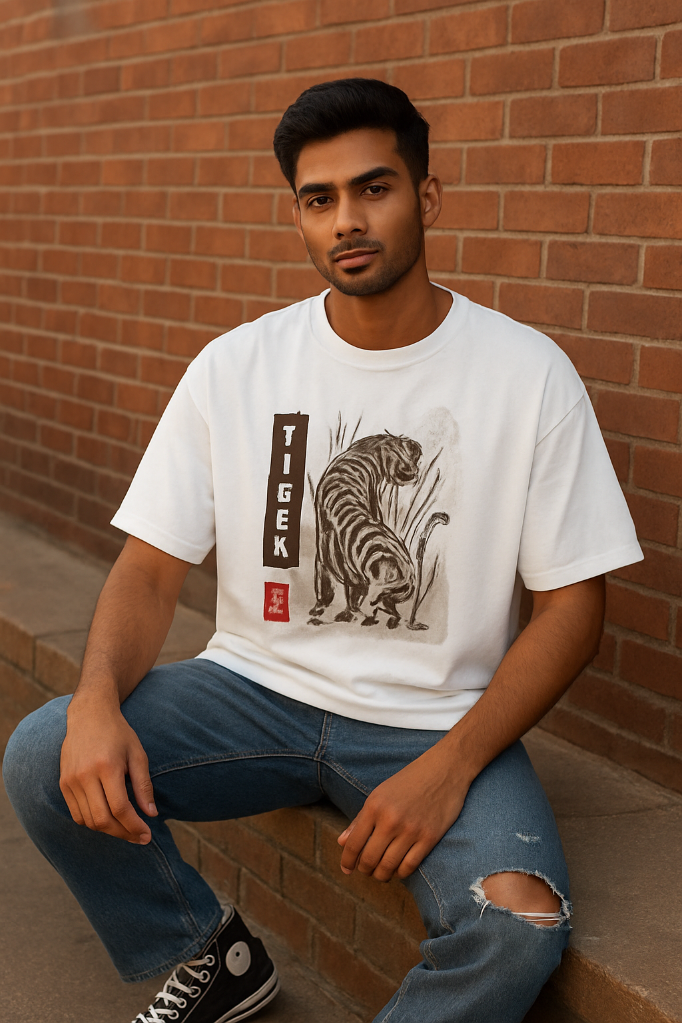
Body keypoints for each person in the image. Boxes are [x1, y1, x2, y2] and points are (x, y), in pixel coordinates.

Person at [3, 78, 642, 1023]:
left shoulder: (527, 373)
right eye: (319, 198)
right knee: (44, 752)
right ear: (298, 215)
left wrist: (455, 763)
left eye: (374, 188)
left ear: (426, 196)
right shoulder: (238, 365)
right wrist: (96, 700)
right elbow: (149, 565)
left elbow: (573, 609)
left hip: (436, 717)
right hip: (252, 692)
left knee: (517, 926)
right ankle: (211, 956)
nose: (348, 218)